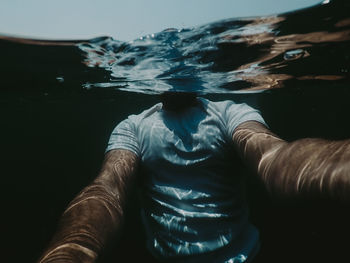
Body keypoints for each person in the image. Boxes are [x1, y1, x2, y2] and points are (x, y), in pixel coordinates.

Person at [38, 92, 350, 263]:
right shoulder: (132, 126)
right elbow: (108, 188)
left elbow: (276, 159)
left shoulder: (230, 113)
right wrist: (70, 254)